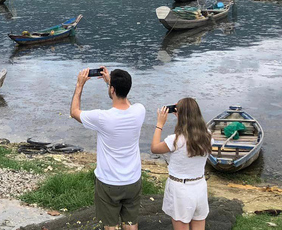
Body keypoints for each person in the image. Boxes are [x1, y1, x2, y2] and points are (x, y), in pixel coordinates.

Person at [70, 67, 146, 230]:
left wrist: (79, 85)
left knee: (110, 225)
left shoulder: (102, 118)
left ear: (112, 90)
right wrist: (110, 84)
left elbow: (74, 112)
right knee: (131, 223)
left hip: (109, 182)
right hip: (133, 179)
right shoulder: (140, 111)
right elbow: (127, 103)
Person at [150, 98, 212, 230]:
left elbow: (154, 148)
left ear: (179, 114)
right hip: (200, 186)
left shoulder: (176, 140)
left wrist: (160, 124)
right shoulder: (208, 136)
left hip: (180, 190)